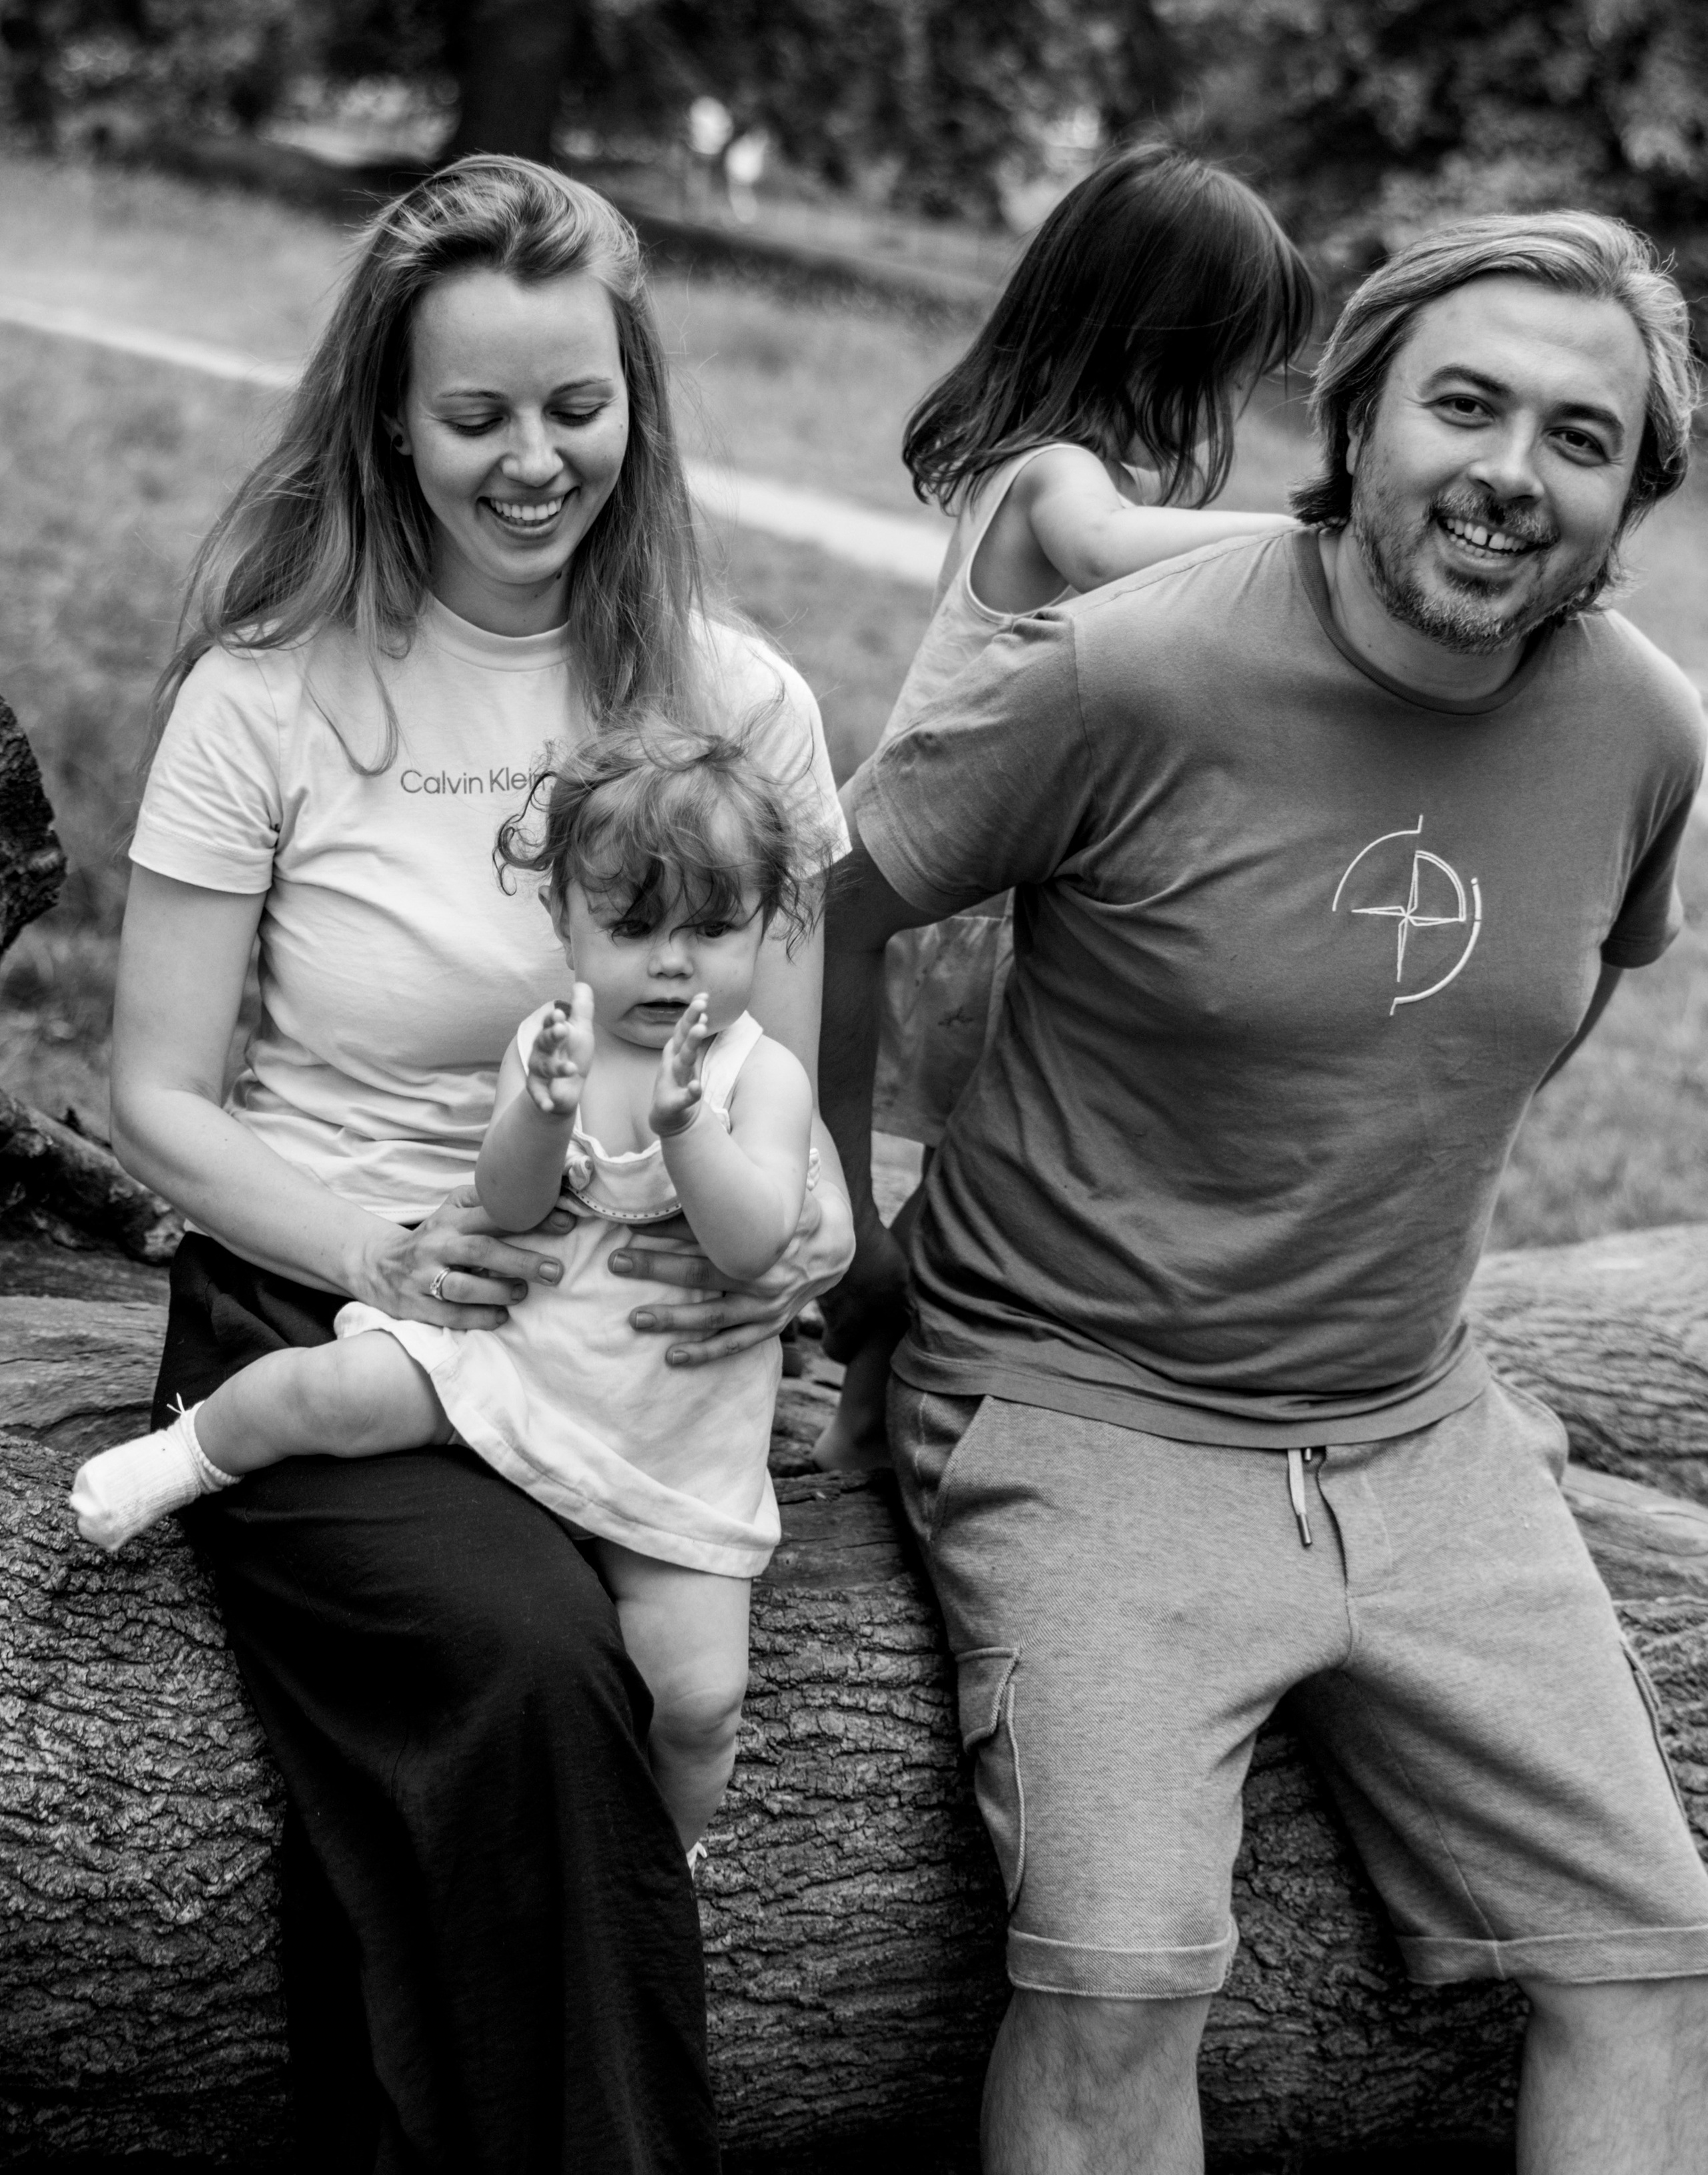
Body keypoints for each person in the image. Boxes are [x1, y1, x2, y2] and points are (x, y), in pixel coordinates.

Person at [819, 210, 1708, 2174]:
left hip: (1419, 1423)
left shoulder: (1644, 728)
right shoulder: (1125, 669)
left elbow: (1524, 1018)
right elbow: (830, 906)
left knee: (1656, 1951)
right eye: (1463, 404)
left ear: (1632, 494)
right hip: (1080, 1406)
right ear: (1357, 411)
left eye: (1581, 436)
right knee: (1124, 1977)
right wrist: (844, 1228)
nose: (1507, 471)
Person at [107, 155, 853, 2173]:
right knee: (533, 1655)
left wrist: (823, 1226)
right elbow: (156, 1093)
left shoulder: (740, 694)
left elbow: (805, 1066)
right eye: (477, 415)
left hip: (643, 1332)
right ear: (387, 420)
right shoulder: (269, 693)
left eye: (577, 405)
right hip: (331, 1289)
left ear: (640, 400)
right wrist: (391, 1242)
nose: (537, 460)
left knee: (624, 1645)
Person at [76, 718, 826, 1851]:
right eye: (633, 927)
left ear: (765, 925)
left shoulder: (757, 1074)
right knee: (323, 1392)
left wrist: (689, 1136)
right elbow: (511, 1204)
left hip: (668, 1422)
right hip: (517, 1352)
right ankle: (179, 1456)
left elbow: (757, 1242)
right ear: (565, 921)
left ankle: (655, 1858)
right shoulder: (556, 1040)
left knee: (700, 1700)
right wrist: (541, 1108)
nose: (673, 962)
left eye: (713, 929)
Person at [819, 143, 1314, 1468]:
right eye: (1224, 362)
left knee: (976, 1185)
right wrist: (1320, 534)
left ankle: (877, 1414)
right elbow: (1103, 559)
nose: (1226, 398)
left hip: (994, 881)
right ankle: (887, 1410)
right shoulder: (1053, 476)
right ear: (1158, 337)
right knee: (985, 1181)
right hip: (949, 895)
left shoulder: (1061, 467)